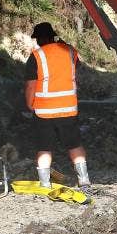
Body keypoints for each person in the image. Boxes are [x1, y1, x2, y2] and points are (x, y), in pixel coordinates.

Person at [25, 22, 91, 190]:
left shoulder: (36, 56)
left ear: (40, 39)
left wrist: (29, 104)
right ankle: (84, 179)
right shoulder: (70, 52)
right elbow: (76, 71)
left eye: (38, 39)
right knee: (74, 144)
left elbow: (31, 85)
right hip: (68, 108)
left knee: (44, 147)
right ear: (52, 36)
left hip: (45, 111)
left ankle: (45, 184)